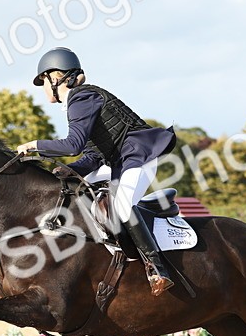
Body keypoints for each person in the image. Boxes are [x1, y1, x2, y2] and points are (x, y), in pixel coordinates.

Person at [15, 47, 176, 296]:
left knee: (122, 206)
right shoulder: (78, 103)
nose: (44, 89)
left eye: (43, 82)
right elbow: (91, 156)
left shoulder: (81, 98)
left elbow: (72, 145)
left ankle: (157, 268)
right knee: (78, 192)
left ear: (55, 78)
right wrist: (65, 171)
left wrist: (34, 145)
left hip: (138, 156)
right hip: (117, 161)